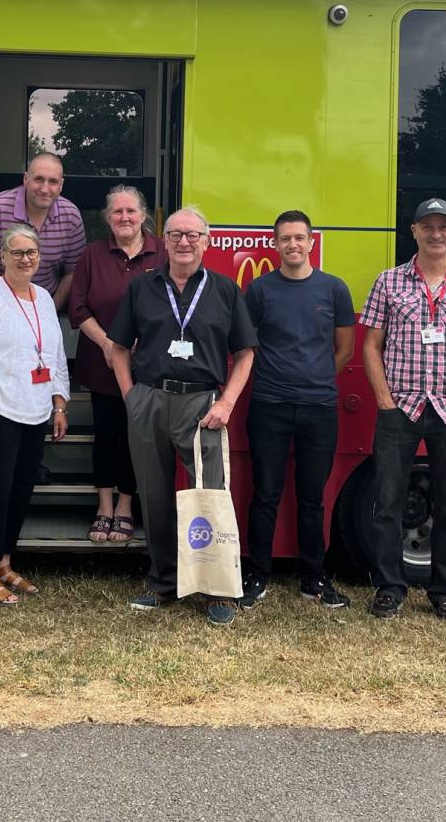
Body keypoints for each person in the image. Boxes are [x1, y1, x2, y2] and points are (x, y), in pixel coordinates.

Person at [108, 206, 256, 626]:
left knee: (210, 495)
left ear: (207, 241)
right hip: (150, 400)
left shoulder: (226, 290)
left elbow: (245, 354)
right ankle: (163, 583)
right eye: (176, 235)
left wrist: (226, 403)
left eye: (193, 235)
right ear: (164, 241)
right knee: (154, 496)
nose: (184, 242)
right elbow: (119, 347)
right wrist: (130, 397)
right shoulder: (142, 288)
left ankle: (217, 590)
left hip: (203, 405)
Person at [360, 197, 446, 625]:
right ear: (414, 231)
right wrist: (384, 400)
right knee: (387, 503)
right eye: (427, 226)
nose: (435, 233)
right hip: (398, 408)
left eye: (444, 226)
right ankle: (389, 587)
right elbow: (370, 346)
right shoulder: (389, 282)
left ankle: (445, 592)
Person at [242, 210, 357, 609]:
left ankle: (314, 578)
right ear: (275, 245)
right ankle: (257, 575)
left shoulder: (334, 289)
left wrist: (318, 376)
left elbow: (345, 350)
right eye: (285, 238)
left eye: (299, 238)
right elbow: (247, 345)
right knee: (266, 494)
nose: (292, 244)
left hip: (319, 407)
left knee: (312, 498)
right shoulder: (258, 291)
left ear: (312, 242)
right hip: (269, 404)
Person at [0, 224, 71, 604]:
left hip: (35, 408)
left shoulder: (42, 298)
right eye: (17, 252)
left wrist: (59, 402)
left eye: (32, 253)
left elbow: (53, 353)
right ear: (2, 257)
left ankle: (4, 562)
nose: (26, 259)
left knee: (20, 490)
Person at [69, 185, 160, 543]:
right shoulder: (91, 255)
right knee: (106, 435)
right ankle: (103, 507)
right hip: (102, 361)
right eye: (117, 212)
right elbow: (78, 309)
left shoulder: (163, 252)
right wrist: (109, 344)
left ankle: (126, 506)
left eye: (131, 212)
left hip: (149, 365)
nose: (125, 218)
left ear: (143, 215)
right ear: (107, 218)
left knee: (138, 437)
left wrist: (144, 343)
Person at [0, 152, 87, 310]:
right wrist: (12, 313)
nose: (45, 188)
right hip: (1, 305)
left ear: (61, 185)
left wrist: (49, 311)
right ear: (26, 179)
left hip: (47, 304)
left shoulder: (71, 216)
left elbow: (73, 273)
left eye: (53, 181)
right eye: (39, 179)